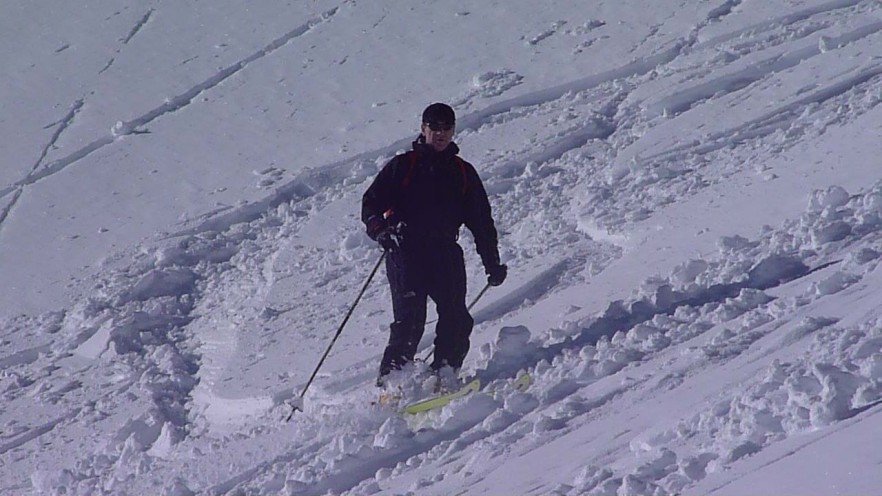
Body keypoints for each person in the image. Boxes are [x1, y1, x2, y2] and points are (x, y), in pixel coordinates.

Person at [362, 103, 507, 386]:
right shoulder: (403, 166)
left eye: (446, 128)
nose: (440, 134)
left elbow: (481, 223)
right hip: (406, 253)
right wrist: (380, 231)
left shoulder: (463, 172)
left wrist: (492, 263)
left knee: (457, 319)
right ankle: (391, 388)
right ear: (423, 129)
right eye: (435, 128)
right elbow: (371, 204)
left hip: (445, 254)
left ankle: (443, 375)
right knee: (410, 323)